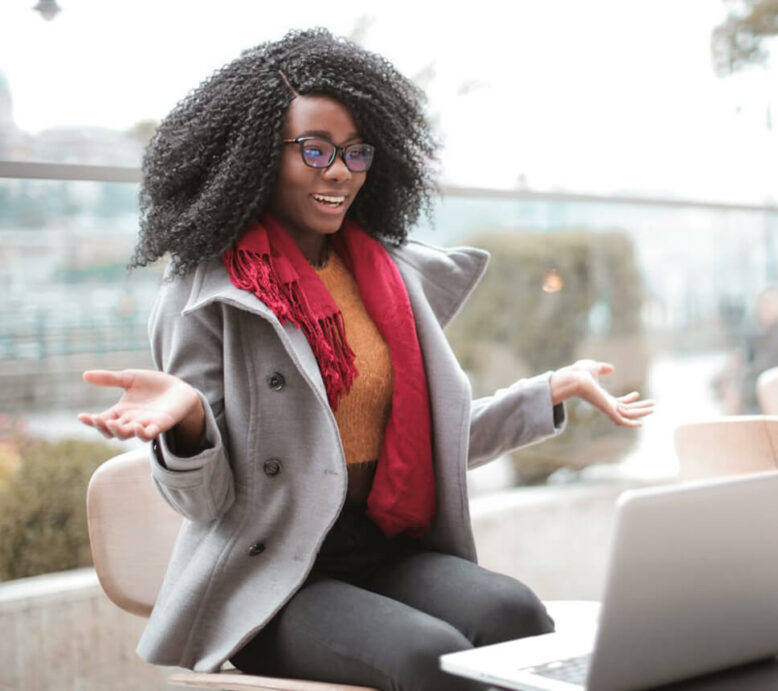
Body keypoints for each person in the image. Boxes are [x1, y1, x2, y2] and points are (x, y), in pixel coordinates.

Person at [77, 29, 653, 691]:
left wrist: (549, 390)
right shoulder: (207, 296)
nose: (339, 171)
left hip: (380, 545)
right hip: (276, 577)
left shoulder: (385, 277)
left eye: (355, 152)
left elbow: (426, 444)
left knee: (515, 612)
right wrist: (188, 427)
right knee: (429, 656)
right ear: (259, 155)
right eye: (314, 149)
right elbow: (208, 501)